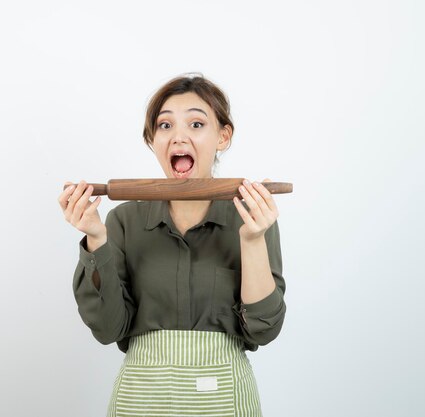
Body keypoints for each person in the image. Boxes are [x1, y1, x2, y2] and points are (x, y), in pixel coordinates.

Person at [58, 74, 286, 417]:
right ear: (152, 139)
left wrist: (252, 240)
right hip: (140, 402)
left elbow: (263, 329)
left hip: (224, 398)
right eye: (165, 125)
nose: (178, 136)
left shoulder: (251, 217)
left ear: (223, 136)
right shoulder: (123, 221)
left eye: (196, 123)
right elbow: (108, 329)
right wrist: (96, 238)